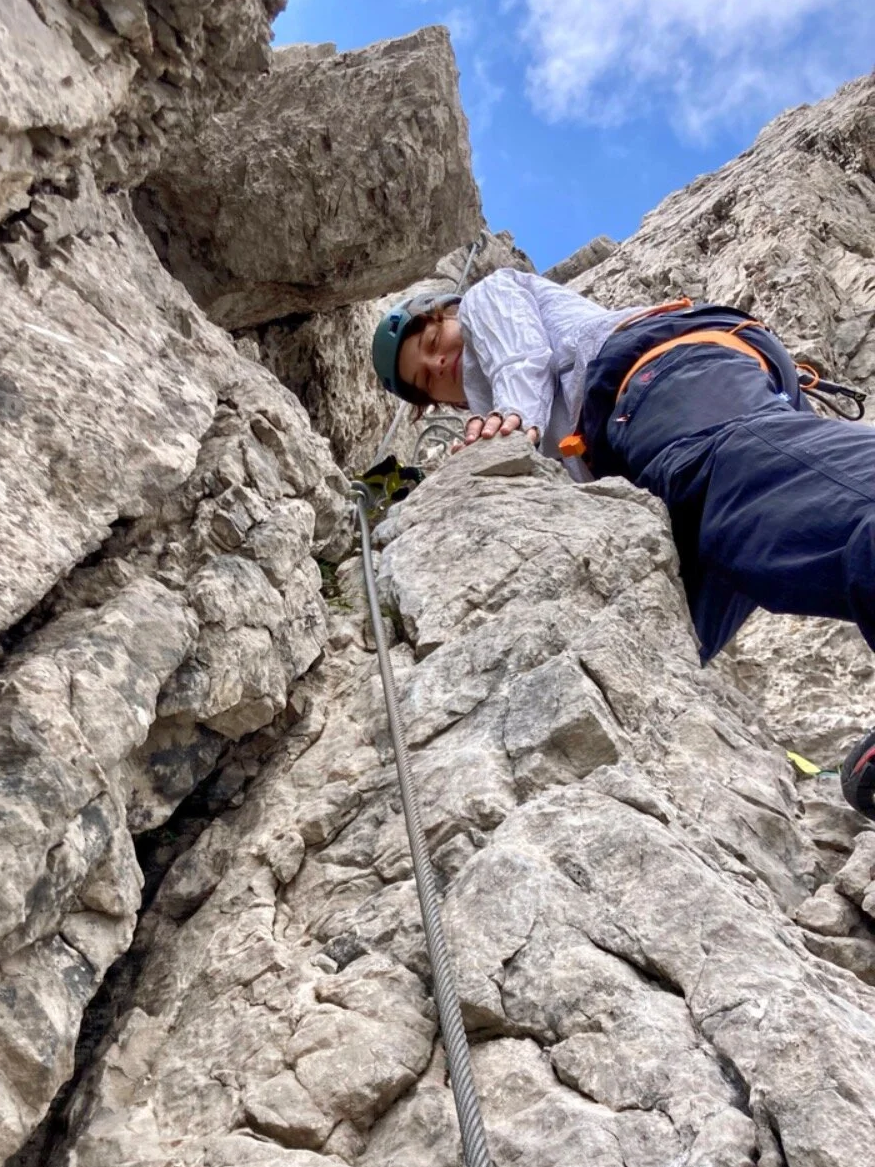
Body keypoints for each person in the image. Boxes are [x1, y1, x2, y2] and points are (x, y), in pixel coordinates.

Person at [371, 268, 875, 817]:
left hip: (667, 374)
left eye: (431, 343)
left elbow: (518, 357)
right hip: (653, 438)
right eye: (425, 379)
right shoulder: (537, 430)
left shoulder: (491, 300)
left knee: (729, 481)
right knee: (679, 632)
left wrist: (510, 422)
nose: (439, 364)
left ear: (447, 313)